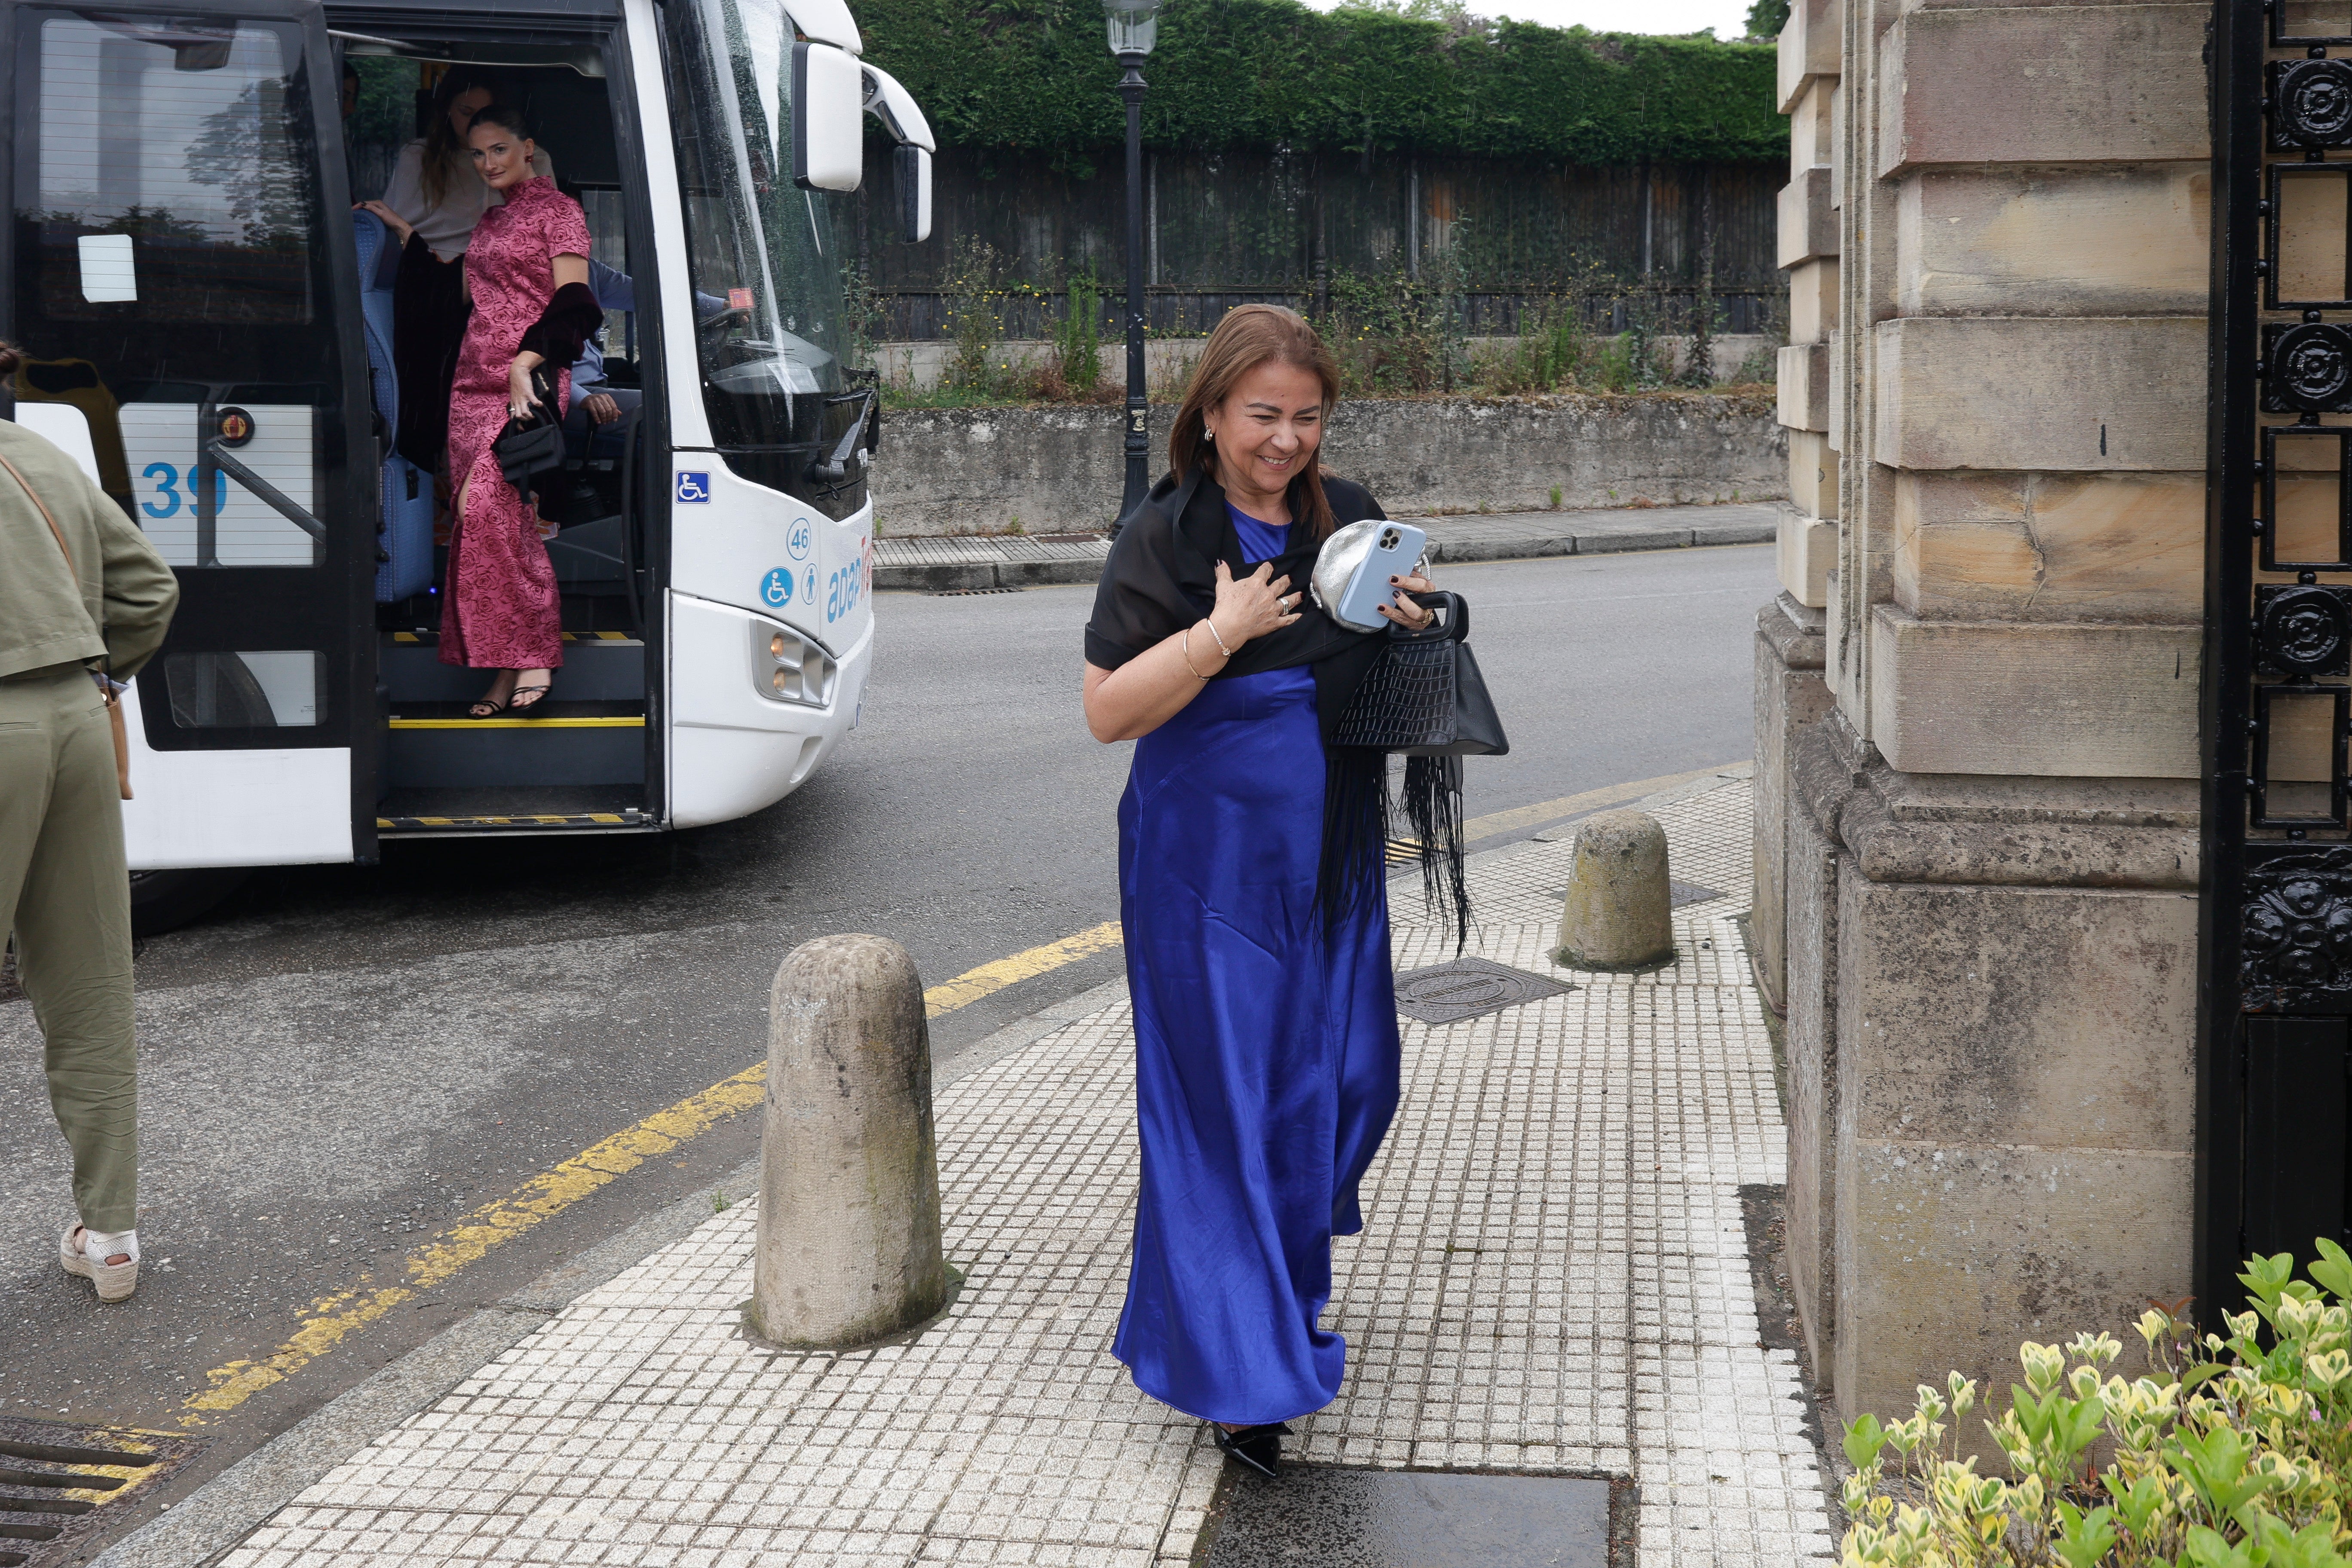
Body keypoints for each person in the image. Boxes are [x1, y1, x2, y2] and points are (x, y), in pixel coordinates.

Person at [1081, 305, 1441, 1478]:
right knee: (1223, 1108)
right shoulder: (1167, 536)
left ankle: (1271, 1294)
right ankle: (1241, 1373)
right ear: (1211, 414)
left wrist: (1417, 619)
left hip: (1326, 853)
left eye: (1307, 417)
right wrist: (1218, 634)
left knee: (1345, 1079)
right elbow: (1106, 711)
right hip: (1203, 863)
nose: (1285, 440)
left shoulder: (1348, 515)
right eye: (1262, 416)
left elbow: (1393, 644)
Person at [0, 339, 181, 1305]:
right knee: (89, 987)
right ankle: (111, 1236)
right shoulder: (41, 459)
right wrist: (99, 679)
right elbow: (151, 590)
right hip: (75, 718)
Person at [355, 71, 552, 476]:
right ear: (446, 111)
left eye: (488, 114)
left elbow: (537, 239)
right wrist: (410, 240)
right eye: (466, 112)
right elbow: (400, 235)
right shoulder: (420, 156)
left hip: (497, 287)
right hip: (428, 283)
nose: (476, 124)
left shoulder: (533, 162)